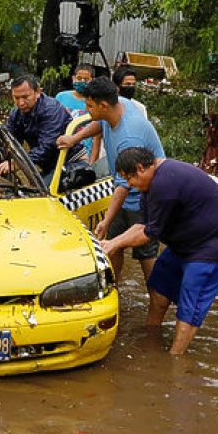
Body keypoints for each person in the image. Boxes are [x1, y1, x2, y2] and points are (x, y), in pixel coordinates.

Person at [101, 147, 218, 354]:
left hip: (217, 241)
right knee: (160, 288)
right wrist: (111, 242)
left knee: (191, 300)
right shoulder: (149, 186)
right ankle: (151, 342)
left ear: (140, 168)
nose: (128, 185)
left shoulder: (165, 184)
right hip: (186, 240)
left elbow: (148, 234)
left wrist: (115, 245)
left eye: (129, 179)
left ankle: (174, 363)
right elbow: (143, 224)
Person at [57, 76, 166, 284]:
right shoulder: (119, 105)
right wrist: (74, 139)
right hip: (124, 190)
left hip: (144, 195)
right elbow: (100, 123)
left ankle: (156, 298)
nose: (87, 110)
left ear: (104, 105)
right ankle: (113, 288)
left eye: (89, 106)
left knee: (146, 255)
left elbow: (124, 184)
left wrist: (106, 220)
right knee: (112, 245)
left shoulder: (129, 137)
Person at [0, 74, 85, 181]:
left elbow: (47, 146)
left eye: (25, 97)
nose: (21, 103)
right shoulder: (16, 113)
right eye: (16, 98)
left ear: (38, 92)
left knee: (45, 195)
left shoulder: (52, 110)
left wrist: (19, 163)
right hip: (51, 166)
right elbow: (11, 141)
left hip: (73, 162)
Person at [55, 64, 101, 159]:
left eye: (86, 79)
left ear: (92, 80)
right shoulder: (61, 97)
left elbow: (97, 137)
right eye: (79, 78)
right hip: (62, 150)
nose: (82, 82)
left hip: (84, 154)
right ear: (73, 78)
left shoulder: (96, 102)